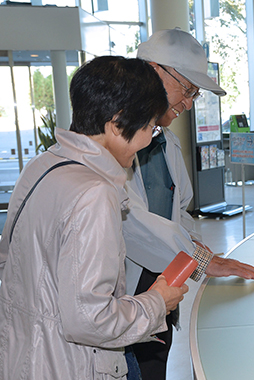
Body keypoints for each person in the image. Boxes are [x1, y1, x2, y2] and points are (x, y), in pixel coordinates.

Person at [0, 56, 189, 379]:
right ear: (116, 123)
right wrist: (157, 302)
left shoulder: (42, 166)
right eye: (149, 127)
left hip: (23, 356)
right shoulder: (94, 193)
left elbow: (9, 264)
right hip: (70, 365)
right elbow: (90, 318)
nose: (148, 140)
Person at [122, 28, 254, 379]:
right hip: (123, 304)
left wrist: (200, 257)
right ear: (155, 71)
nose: (188, 103)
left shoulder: (166, 143)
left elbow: (180, 212)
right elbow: (132, 223)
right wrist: (206, 261)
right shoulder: (110, 144)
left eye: (194, 94)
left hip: (162, 294)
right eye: (186, 89)